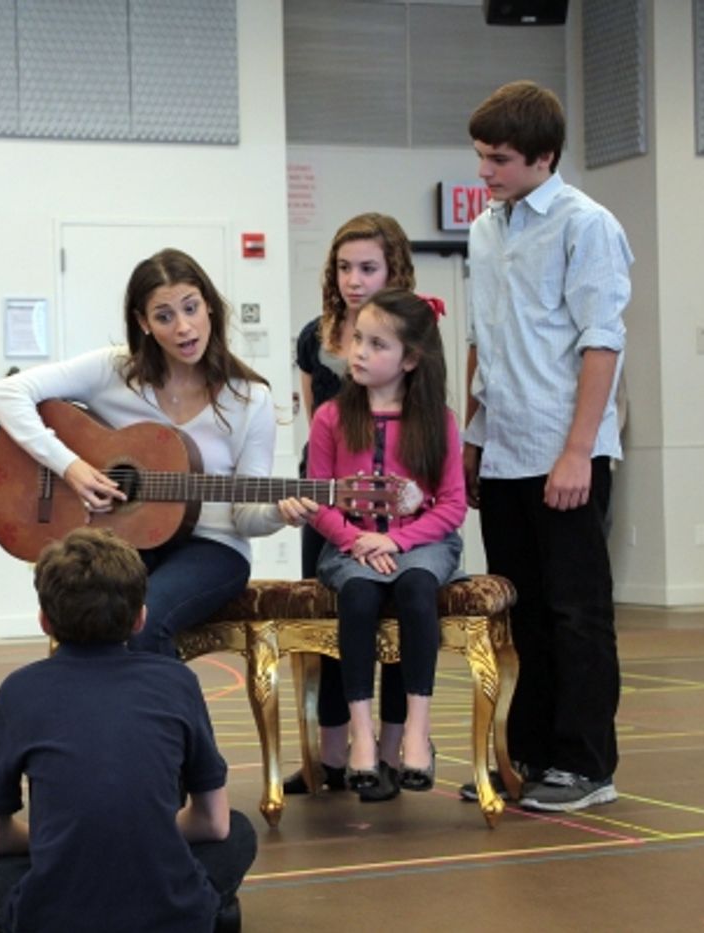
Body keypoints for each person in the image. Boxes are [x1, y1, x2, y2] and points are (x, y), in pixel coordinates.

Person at [0, 248, 315, 657]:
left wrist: (278, 514)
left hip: (212, 547)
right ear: (143, 323)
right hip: (123, 541)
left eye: (191, 308)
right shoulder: (114, 370)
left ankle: (165, 721)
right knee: (84, 619)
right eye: (164, 316)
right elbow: (4, 393)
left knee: (142, 623)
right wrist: (70, 467)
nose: (183, 327)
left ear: (208, 305)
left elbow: (245, 517)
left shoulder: (250, 399)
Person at [0, 528, 256, 933]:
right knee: (239, 832)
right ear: (141, 618)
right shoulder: (176, 681)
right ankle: (206, 905)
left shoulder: (21, 689)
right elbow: (214, 823)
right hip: (171, 913)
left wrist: (56, 841)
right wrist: (150, 832)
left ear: (44, 621)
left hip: (52, 918)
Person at [463, 80, 631, 812]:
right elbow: (480, 341)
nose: (485, 172)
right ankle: (525, 751)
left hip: (565, 452)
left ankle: (587, 765)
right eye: (480, 157)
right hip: (502, 454)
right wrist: (471, 440)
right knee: (521, 613)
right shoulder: (484, 229)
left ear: (544, 157)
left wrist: (577, 451)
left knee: (577, 613)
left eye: (498, 159)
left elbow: (602, 343)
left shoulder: (585, 225)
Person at [305, 288, 467, 800]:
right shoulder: (330, 417)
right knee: (358, 597)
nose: (359, 352)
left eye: (377, 344)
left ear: (411, 359)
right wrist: (358, 541)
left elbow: (452, 506)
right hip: (351, 545)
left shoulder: (437, 421)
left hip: (421, 544)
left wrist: (397, 542)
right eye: (358, 339)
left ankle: (417, 731)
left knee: (418, 590)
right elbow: (320, 500)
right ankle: (362, 734)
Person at [287, 212, 416, 800]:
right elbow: (316, 418)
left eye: (368, 267)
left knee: (386, 611)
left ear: (393, 270)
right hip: (328, 497)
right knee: (331, 615)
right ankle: (329, 753)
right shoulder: (316, 337)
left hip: (392, 498)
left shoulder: (410, 332)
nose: (354, 279)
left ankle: (389, 748)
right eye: (344, 267)